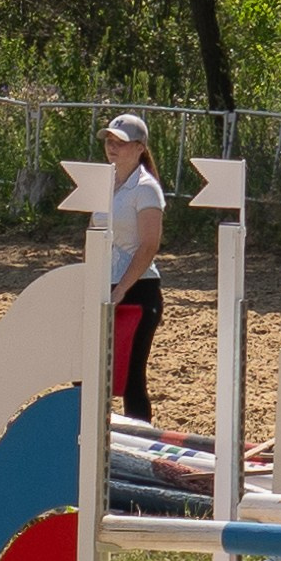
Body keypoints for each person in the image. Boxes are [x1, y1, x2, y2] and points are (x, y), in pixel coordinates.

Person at [100, 112, 165, 424]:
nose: (112, 147)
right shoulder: (101, 183)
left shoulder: (146, 188)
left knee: (131, 378)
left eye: (121, 143)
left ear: (140, 148)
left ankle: (140, 443)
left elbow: (149, 244)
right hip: (103, 286)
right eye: (110, 141)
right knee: (91, 373)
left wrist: (122, 288)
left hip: (138, 290)